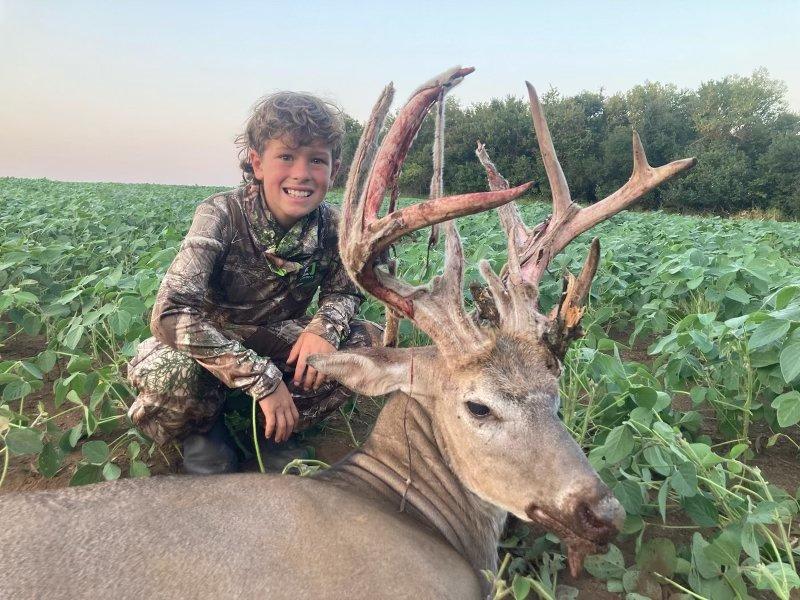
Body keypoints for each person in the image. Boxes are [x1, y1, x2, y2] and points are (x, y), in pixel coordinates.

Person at [126, 91, 380, 474]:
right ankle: (204, 429)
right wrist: (262, 379)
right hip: (208, 342)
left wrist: (324, 326)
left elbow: (345, 289)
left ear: (334, 169)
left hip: (275, 336)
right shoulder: (221, 213)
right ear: (258, 164)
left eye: (316, 160)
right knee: (172, 376)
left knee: (366, 343)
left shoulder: (334, 226)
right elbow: (170, 313)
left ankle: (276, 429)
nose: (301, 173)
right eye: (286, 157)